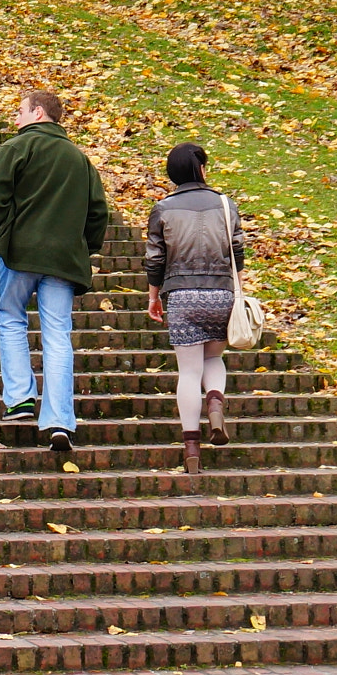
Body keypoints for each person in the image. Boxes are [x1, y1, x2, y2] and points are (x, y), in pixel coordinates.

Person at [0, 89, 109, 458]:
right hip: (63, 259)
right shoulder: (80, 160)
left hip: (19, 253)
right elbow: (98, 213)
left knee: (11, 318)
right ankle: (59, 420)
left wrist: (4, 232)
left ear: (38, 113)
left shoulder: (16, 149)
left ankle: (20, 398)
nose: (16, 119)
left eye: (20, 111)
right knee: (57, 334)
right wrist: (83, 245)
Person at [144, 141, 247, 475]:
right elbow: (238, 252)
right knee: (214, 358)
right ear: (201, 169)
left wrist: (153, 297)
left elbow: (155, 259)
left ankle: (191, 449)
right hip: (221, 294)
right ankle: (215, 400)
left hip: (183, 297)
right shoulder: (225, 204)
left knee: (188, 372)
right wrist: (239, 291)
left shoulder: (162, 208)